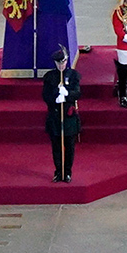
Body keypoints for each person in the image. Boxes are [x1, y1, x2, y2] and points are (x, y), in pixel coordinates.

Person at [43, 48, 81, 183]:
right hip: (55, 116)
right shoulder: (49, 77)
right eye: (58, 63)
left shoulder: (73, 75)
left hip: (69, 116)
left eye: (63, 62)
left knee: (69, 147)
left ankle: (68, 172)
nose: (61, 65)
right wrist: (55, 98)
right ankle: (59, 171)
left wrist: (67, 95)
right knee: (56, 147)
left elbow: (77, 93)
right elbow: (45, 96)